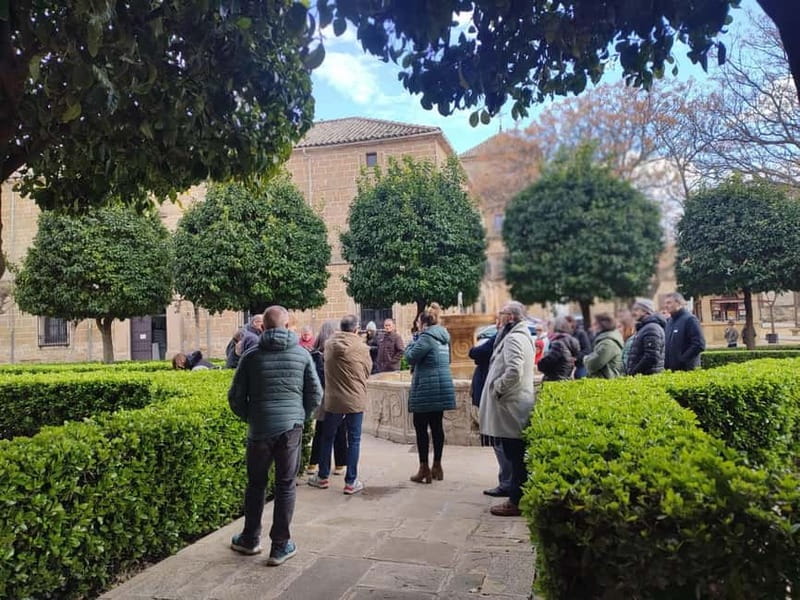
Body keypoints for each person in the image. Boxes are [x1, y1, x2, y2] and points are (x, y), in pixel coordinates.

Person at [227, 305, 322, 566]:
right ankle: (280, 546)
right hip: (290, 428)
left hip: (259, 430)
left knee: (256, 484)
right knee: (285, 484)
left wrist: (253, 416)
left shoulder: (251, 356)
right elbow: (316, 394)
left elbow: (235, 397)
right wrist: (298, 416)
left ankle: (249, 539)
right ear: (288, 325)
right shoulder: (302, 355)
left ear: (263, 326)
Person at [478, 301, 535, 517]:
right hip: (514, 403)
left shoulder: (514, 338)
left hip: (511, 405)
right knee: (515, 454)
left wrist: (497, 388)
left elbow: (514, 370)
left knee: (515, 455)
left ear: (510, 317)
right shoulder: (520, 335)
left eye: (501, 313)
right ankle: (517, 496)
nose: (498, 316)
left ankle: (515, 501)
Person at [308, 314, 372, 495]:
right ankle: (351, 481)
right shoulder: (361, 347)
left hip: (333, 398)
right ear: (356, 328)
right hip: (355, 398)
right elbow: (368, 370)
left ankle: (322, 476)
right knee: (354, 440)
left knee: (327, 437)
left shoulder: (329, 344)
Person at [405, 303, 456, 483]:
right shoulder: (443, 337)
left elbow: (410, 357)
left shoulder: (425, 337)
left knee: (420, 428)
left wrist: (412, 341)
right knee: (437, 427)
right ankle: (437, 466)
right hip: (441, 387)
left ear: (422, 323)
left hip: (426, 388)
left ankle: (424, 468)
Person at [470, 316, 512, 498]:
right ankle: (507, 480)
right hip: (492, 392)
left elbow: (475, 353)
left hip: (496, 395)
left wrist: (497, 388)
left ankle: (507, 482)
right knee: (499, 440)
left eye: (500, 318)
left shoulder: (502, 337)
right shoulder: (504, 336)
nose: (496, 322)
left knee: (498, 440)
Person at [306, 321, 348, 477]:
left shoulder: (314, 353)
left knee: (320, 430)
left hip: (321, 397)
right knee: (339, 430)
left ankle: (313, 463)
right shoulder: (335, 352)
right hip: (335, 396)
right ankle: (340, 464)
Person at [664, 292, 706, 371]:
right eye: (665, 303)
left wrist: (682, 359)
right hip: (671, 370)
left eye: (669, 303)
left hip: (687, 369)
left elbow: (699, 344)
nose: (666, 306)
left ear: (679, 303)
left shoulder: (690, 319)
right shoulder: (669, 321)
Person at [626, 298, 666, 376]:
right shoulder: (644, 328)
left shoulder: (651, 328)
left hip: (646, 377)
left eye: (637, 310)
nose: (633, 313)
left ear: (645, 311)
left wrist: (634, 372)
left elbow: (651, 356)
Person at [537, 317, 580, 382]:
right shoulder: (568, 341)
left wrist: (540, 362)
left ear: (556, 328)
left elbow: (545, 364)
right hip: (565, 378)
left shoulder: (558, 344)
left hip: (555, 380)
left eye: (550, 328)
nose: (548, 330)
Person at [584, 313, 624, 379]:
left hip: (606, 382)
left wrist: (585, 359)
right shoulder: (605, 340)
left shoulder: (608, 343)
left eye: (595, 324)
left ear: (602, 325)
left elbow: (592, 365)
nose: (592, 326)